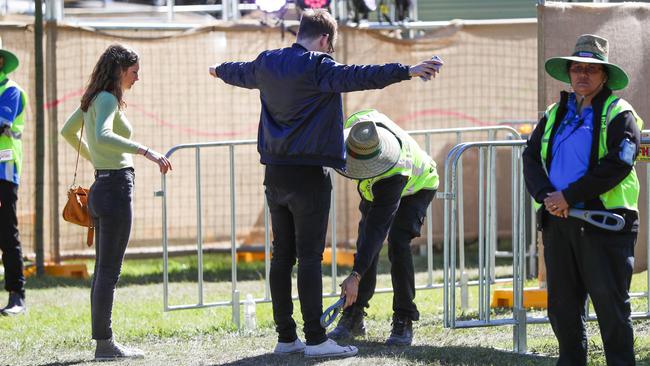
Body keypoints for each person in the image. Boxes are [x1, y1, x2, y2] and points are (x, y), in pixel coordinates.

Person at [209, 9, 441, 358]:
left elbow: (236, 71)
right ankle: (316, 339)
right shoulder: (320, 66)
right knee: (309, 258)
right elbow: (360, 76)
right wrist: (406, 71)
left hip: (274, 173)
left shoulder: (267, 62)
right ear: (325, 40)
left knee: (281, 257)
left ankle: (286, 337)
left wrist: (218, 70)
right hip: (309, 176)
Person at [523, 34, 642, 366]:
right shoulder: (552, 113)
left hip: (604, 223)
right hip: (558, 221)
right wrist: (547, 196)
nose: (582, 75)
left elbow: (619, 163)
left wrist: (569, 196)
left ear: (604, 76)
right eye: (577, 68)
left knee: (610, 304)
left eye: (591, 69)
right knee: (561, 305)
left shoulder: (620, 113)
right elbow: (530, 157)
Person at [61, 44, 172, 361]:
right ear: (119, 70)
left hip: (101, 187)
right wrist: (146, 151)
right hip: (115, 189)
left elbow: (67, 132)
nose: (138, 77)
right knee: (108, 273)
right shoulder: (108, 99)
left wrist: (96, 158)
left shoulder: (93, 98)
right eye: (134, 71)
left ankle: (104, 342)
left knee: (102, 272)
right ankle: (105, 345)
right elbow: (103, 133)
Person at [330, 110, 438, 346]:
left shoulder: (392, 173)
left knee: (397, 243)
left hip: (417, 186)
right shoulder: (359, 127)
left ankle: (404, 318)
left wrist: (355, 275)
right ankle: (354, 315)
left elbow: (378, 231)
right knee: (364, 242)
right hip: (374, 187)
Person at [0, 44, 27, 316]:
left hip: (3, 170)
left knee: (6, 232)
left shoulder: (10, 91)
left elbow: (1, 124)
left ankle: (16, 296)